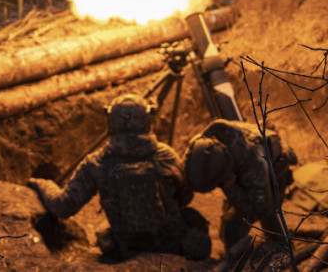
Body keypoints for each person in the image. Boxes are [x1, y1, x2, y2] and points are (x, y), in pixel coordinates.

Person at [27, 94, 211, 261]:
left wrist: (42, 184)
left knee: (103, 228)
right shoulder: (167, 156)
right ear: (147, 120)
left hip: (127, 250)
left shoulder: (96, 163)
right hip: (171, 246)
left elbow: (63, 207)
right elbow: (186, 197)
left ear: (110, 122)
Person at [184, 119, 297, 270]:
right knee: (230, 222)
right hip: (249, 161)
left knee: (235, 224)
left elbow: (260, 209)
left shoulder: (254, 165)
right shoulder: (204, 144)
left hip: (274, 168)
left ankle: (280, 245)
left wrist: (232, 189)